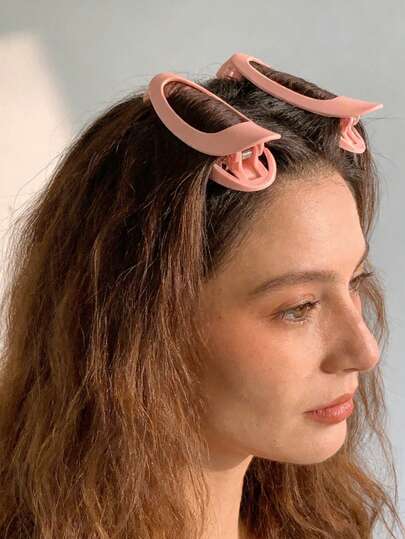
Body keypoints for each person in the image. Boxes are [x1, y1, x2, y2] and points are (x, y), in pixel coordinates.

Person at [0, 60, 403, 539]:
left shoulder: (319, 525)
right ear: (141, 322)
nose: (364, 351)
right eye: (298, 308)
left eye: (354, 282)